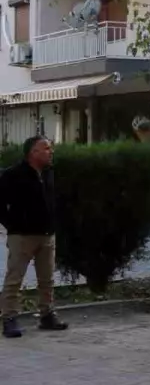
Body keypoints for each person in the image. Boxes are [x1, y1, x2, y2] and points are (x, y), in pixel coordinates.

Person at [0, 136, 68, 338]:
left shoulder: (49, 173)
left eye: (50, 148)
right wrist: (12, 225)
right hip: (22, 237)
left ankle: (47, 315)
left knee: (47, 279)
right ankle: (9, 319)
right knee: (14, 279)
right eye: (46, 148)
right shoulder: (13, 175)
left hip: (47, 235)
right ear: (33, 153)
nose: (50, 151)